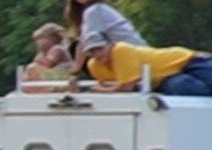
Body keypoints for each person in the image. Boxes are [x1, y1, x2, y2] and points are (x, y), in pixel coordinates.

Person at [83, 33, 212, 97]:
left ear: (111, 44)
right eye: (92, 51)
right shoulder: (94, 66)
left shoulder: (120, 50)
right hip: (163, 80)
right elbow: (112, 85)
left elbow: (126, 87)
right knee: (187, 89)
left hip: (183, 60)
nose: (97, 54)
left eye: (100, 48)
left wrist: (101, 91)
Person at [65, 0, 145, 72]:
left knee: (83, 50)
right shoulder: (101, 8)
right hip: (136, 56)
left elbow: (83, 45)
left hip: (133, 58)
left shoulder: (94, 11)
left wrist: (74, 71)